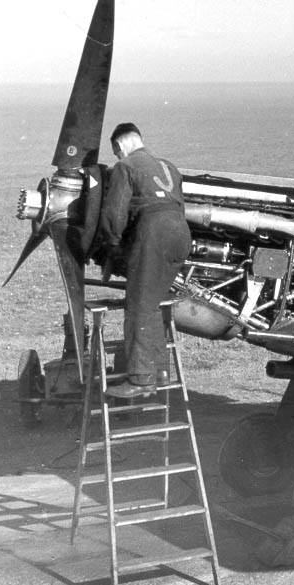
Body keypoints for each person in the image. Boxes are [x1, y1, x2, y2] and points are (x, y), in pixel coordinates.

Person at [99, 123, 191, 398]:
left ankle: (140, 379)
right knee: (152, 303)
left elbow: (115, 213)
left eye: (116, 152)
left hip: (155, 234)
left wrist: (113, 246)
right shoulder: (169, 166)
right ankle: (160, 372)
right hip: (181, 234)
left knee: (138, 304)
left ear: (119, 146)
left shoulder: (125, 167)